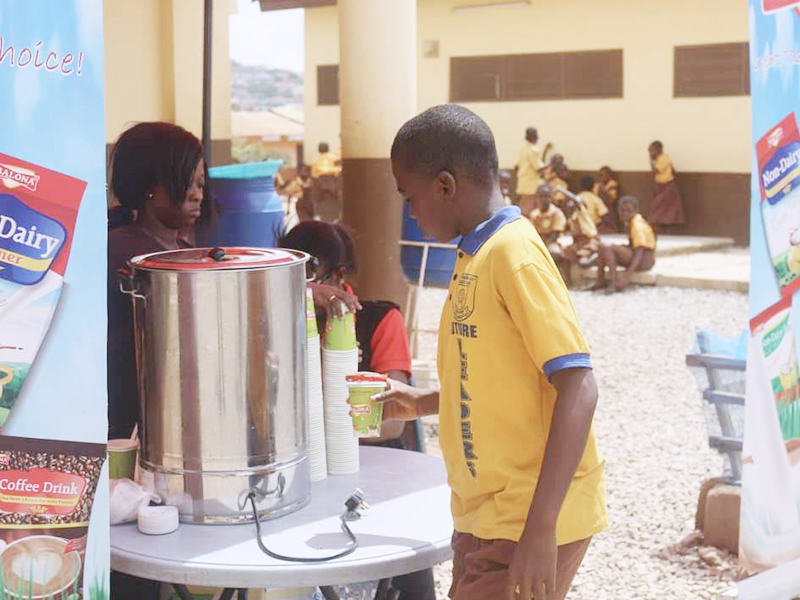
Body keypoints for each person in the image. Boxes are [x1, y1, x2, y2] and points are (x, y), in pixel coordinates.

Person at [383, 105, 607, 600]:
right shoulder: (474, 254)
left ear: (445, 185)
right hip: (486, 515)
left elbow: (579, 385)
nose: (412, 213)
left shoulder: (514, 254)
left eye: (410, 197)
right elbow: (489, 382)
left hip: (526, 519)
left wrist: (540, 530)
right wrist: (418, 402)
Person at [279, 221, 437, 600]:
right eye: (292, 279)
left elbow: (388, 426)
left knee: (399, 576)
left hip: (375, 473)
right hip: (304, 473)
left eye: (311, 277)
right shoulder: (279, 320)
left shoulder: (381, 319)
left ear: (339, 275)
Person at [592, 195, 656, 292]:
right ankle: (600, 281)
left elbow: (640, 251)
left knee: (607, 247)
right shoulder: (630, 222)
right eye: (622, 210)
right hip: (640, 257)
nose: (624, 213)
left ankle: (614, 282)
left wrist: (626, 278)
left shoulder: (637, 225)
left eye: (628, 211)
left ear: (635, 211)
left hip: (644, 260)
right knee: (602, 247)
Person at [561, 195, 601, 285]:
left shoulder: (582, 213)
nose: (569, 210)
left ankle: (597, 255)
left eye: (571, 208)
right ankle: (567, 281)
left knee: (583, 262)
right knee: (565, 255)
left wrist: (578, 202)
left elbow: (581, 204)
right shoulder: (571, 219)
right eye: (567, 209)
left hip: (590, 240)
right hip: (579, 243)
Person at [648, 141, 685, 232]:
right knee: (659, 208)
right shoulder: (658, 159)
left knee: (667, 210)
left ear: (659, 150)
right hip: (660, 187)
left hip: (667, 187)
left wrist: (651, 159)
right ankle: (662, 230)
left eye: (652, 150)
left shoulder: (663, 158)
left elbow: (655, 171)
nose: (650, 153)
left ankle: (669, 231)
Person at [529, 184, 567, 261]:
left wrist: (543, 246)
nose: (543, 199)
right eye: (541, 196)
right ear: (536, 198)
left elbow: (555, 234)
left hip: (551, 242)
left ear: (551, 198)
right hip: (538, 242)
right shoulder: (534, 214)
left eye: (546, 197)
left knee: (554, 252)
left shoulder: (556, 213)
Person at [514, 126, 543, 215]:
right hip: (531, 187)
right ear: (535, 137)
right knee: (529, 213)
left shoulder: (523, 149)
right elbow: (538, 168)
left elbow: (516, 167)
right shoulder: (534, 150)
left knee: (523, 211)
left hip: (522, 184)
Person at [311, 141, 343, 222]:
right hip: (332, 181)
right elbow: (339, 169)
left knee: (314, 198)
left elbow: (314, 175)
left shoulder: (316, 161)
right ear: (328, 149)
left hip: (320, 182)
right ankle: (340, 213)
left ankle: (316, 214)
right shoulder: (334, 158)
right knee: (339, 197)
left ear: (319, 150)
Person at [593, 166, 621, 232]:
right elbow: (594, 196)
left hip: (608, 207)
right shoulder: (597, 185)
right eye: (600, 175)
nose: (602, 177)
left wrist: (602, 188)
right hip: (598, 207)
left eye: (604, 175)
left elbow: (612, 200)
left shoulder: (612, 184)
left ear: (609, 175)